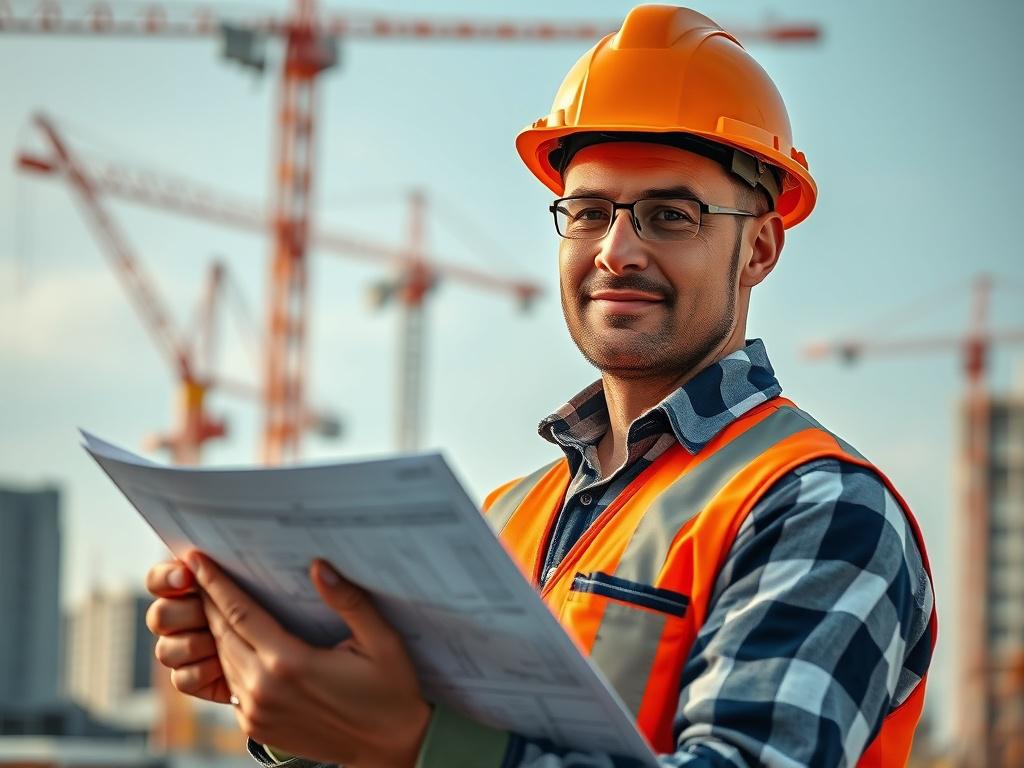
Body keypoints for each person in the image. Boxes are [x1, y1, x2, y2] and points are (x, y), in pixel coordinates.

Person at [144, 6, 936, 767]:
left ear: (759, 248)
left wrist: (416, 745)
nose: (616, 250)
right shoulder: (503, 518)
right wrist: (291, 697)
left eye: (670, 216)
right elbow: (406, 736)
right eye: (589, 212)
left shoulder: (823, 507)